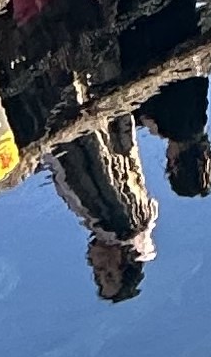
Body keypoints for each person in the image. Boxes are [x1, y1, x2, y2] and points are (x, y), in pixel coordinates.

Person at [44, 113, 159, 300]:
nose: (97, 267)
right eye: (109, 275)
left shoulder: (124, 223)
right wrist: (63, 127)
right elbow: (96, 162)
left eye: (98, 277)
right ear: (125, 262)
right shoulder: (120, 222)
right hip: (71, 121)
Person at [139, 73, 211, 194]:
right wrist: (145, 119)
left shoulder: (199, 122)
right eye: (170, 166)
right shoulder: (173, 127)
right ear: (176, 165)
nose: (168, 158)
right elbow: (147, 93)